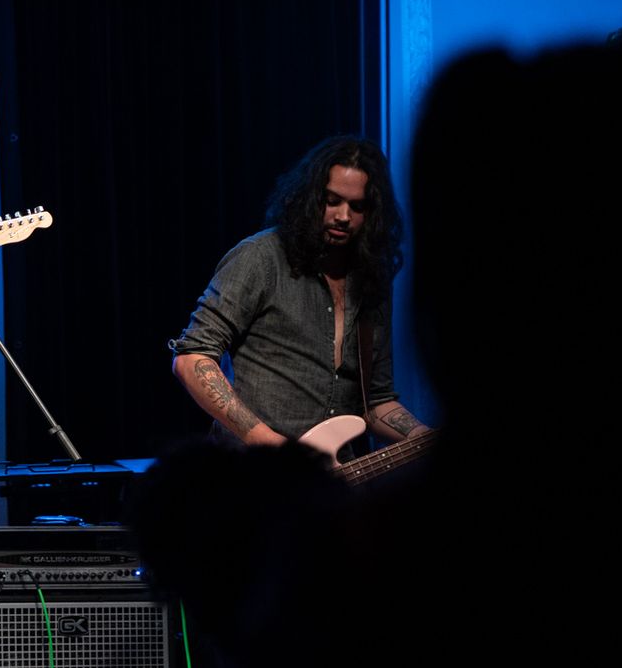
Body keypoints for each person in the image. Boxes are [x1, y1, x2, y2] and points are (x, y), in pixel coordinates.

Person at [169, 136, 428, 454]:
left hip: (332, 484)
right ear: (309, 197)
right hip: (252, 472)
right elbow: (192, 357)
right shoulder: (261, 258)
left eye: (357, 206)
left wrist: (423, 436)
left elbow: (376, 402)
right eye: (332, 200)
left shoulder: (371, 282)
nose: (343, 216)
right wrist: (269, 444)